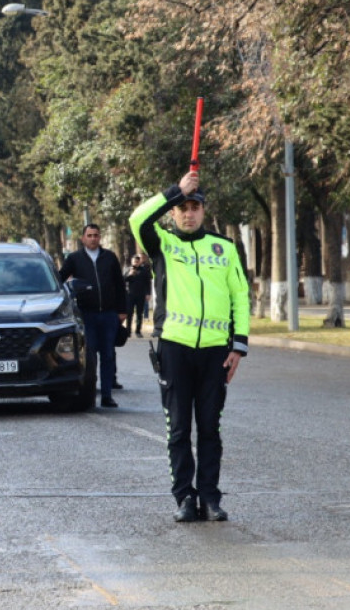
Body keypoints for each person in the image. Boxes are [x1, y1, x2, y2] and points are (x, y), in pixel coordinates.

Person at [130, 171, 250, 523]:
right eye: (182, 207)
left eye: (194, 206)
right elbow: (137, 219)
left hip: (215, 352)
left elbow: (239, 297)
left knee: (210, 429)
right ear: (173, 212)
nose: (188, 213)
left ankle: (210, 498)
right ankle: (184, 496)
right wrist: (174, 191)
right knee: (179, 429)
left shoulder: (224, 248)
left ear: (203, 211)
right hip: (174, 350)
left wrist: (238, 346)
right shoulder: (164, 244)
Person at [58, 224, 128, 407]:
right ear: (83, 238)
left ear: (100, 237)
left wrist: (122, 310)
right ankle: (89, 394)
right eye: (89, 235)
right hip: (86, 315)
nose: (93, 238)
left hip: (108, 315)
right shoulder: (74, 259)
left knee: (107, 355)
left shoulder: (110, 258)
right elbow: (59, 280)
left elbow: (120, 285)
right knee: (89, 357)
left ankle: (106, 395)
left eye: (96, 235)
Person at [124, 254, 153, 337]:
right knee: (129, 313)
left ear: (139, 262)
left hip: (141, 295)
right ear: (131, 261)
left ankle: (138, 331)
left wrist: (148, 293)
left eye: (137, 261)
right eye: (134, 261)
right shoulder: (127, 269)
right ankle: (128, 331)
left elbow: (148, 283)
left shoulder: (144, 270)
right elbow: (123, 280)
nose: (135, 263)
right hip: (130, 295)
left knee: (139, 313)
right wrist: (130, 274)